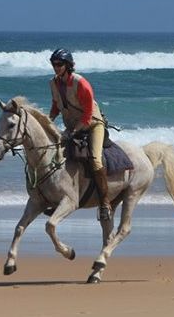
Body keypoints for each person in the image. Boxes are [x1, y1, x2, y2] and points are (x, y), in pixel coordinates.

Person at [48, 48, 112, 221]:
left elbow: (88, 113)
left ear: (68, 65)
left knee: (95, 159)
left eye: (59, 64)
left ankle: (105, 202)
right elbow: (56, 105)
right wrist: (48, 121)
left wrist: (75, 131)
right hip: (72, 127)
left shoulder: (81, 83)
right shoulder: (53, 83)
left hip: (92, 125)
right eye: (53, 64)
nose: (56, 67)